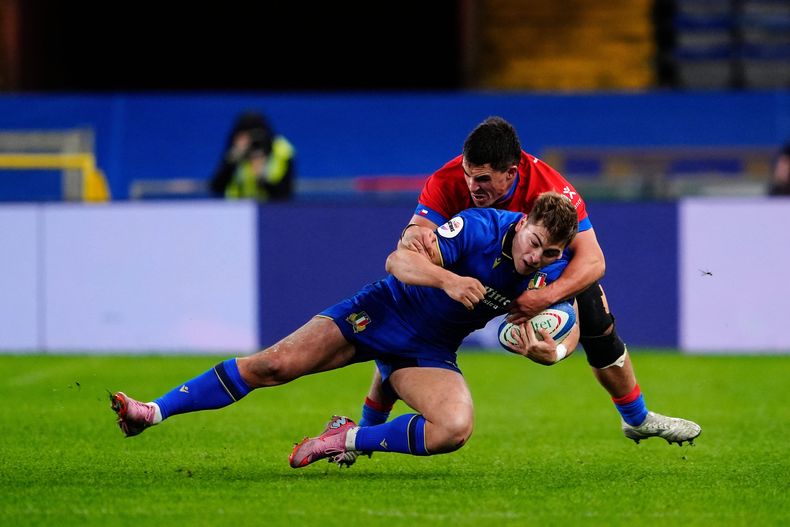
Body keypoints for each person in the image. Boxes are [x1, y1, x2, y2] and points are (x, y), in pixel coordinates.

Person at [111, 192, 581, 468]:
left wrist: (553, 353)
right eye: (534, 244)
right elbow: (398, 261)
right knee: (273, 365)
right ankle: (152, 411)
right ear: (523, 224)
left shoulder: (550, 271)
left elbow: (571, 323)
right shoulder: (479, 229)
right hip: (381, 312)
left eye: (550, 254)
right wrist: (448, 279)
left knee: (455, 430)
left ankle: (345, 437)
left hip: (427, 352)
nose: (535, 258)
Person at [351, 116, 701, 457]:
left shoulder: (549, 189)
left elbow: (593, 260)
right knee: (409, 327)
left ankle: (637, 419)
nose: (473, 186)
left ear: (511, 173)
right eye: (468, 175)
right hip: (471, 263)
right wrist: (416, 237)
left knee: (597, 318)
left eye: (484, 178)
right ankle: (363, 428)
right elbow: (414, 236)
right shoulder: (448, 180)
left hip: (534, 272)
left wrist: (545, 298)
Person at [209, 110, 296, 201]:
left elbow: (285, 195)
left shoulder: (282, 151)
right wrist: (232, 161)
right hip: (237, 209)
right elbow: (216, 188)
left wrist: (262, 178)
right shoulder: (235, 150)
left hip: (271, 210)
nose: (253, 142)